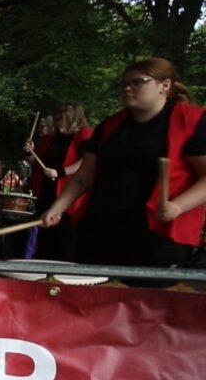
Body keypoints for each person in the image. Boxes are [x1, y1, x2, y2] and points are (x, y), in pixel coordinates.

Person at [42, 57, 206, 269]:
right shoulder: (111, 125)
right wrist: (57, 208)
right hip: (101, 229)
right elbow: (83, 177)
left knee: (145, 300)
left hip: (154, 236)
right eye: (124, 84)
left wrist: (177, 206)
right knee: (92, 295)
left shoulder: (191, 121)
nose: (127, 88)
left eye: (137, 82)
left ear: (164, 86)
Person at [23, 104, 93, 261]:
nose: (58, 116)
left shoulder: (84, 135)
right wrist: (29, 153)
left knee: (66, 243)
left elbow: (86, 162)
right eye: (58, 113)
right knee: (46, 243)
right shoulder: (49, 139)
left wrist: (61, 172)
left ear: (74, 115)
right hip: (47, 194)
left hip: (69, 198)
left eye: (63, 113)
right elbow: (35, 163)